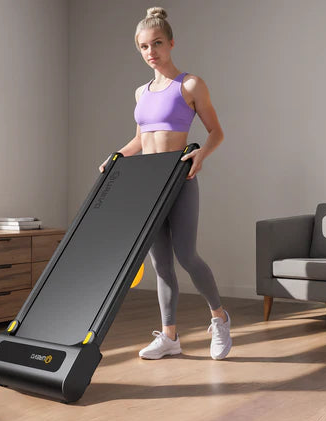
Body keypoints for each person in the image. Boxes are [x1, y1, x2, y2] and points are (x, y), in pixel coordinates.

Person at [98, 7, 232, 360]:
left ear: (171, 43)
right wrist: (116, 158)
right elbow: (141, 139)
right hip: (147, 184)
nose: (151, 52)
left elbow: (216, 131)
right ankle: (170, 336)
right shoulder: (141, 92)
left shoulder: (189, 84)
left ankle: (219, 317)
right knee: (161, 264)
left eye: (157, 43)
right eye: (144, 47)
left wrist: (201, 155)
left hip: (179, 178)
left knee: (187, 255)